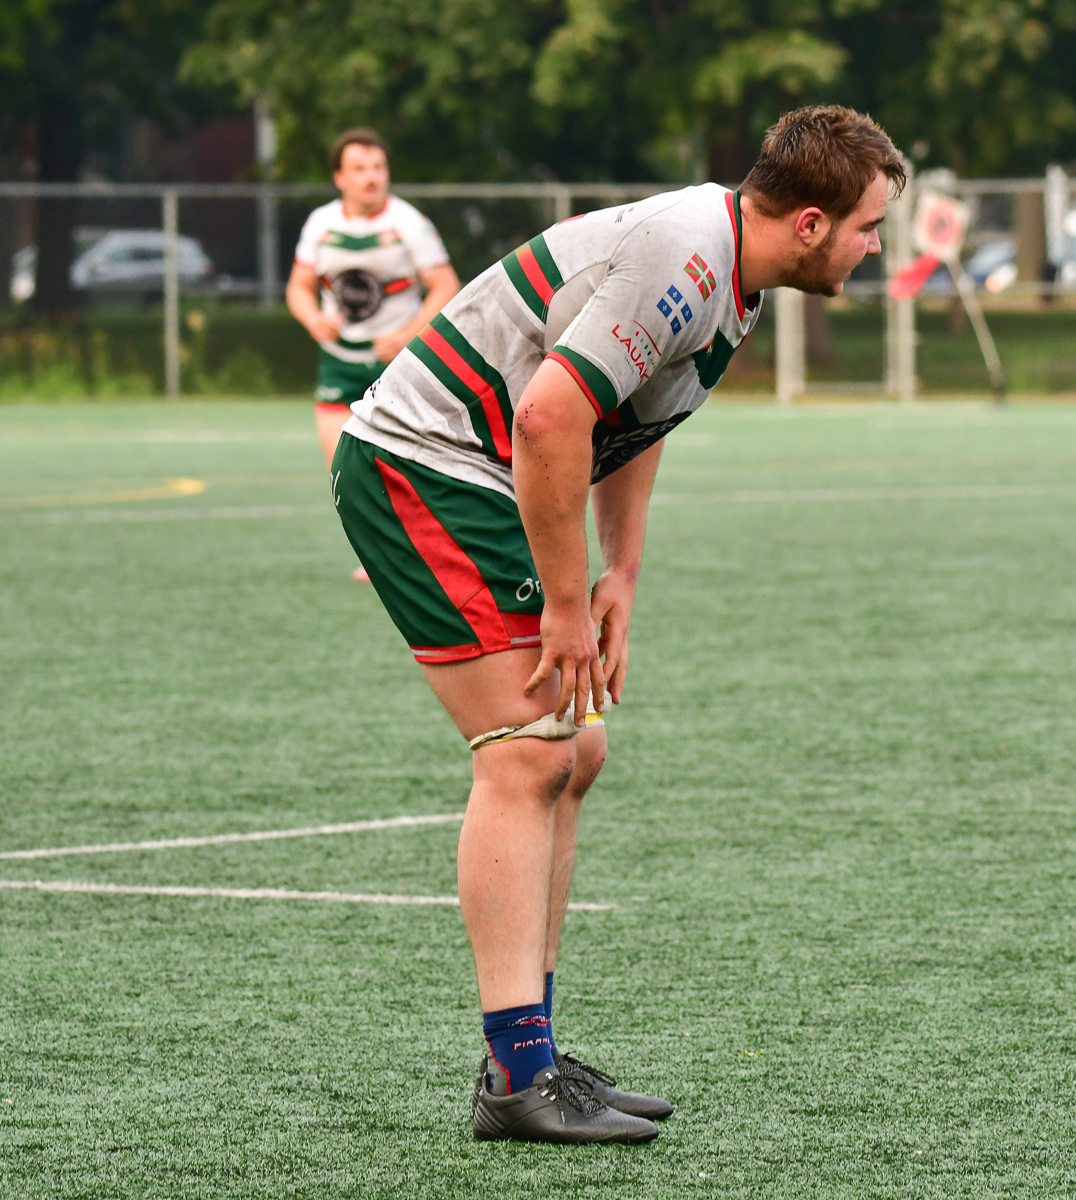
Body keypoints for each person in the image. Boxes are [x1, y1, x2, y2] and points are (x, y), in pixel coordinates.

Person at [329, 106, 906, 1144]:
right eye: (870, 226)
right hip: (421, 466)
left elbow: (630, 412)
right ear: (813, 221)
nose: (876, 246)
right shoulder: (684, 257)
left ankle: (532, 1055)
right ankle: (516, 1075)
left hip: (480, 474)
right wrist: (562, 604)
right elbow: (552, 416)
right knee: (524, 756)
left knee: (573, 751)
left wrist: (620, 573)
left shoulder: (736, 275)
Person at [289, 129, 460, 579]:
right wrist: (312, 320)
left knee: (409, 461)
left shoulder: (409, 223)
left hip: (396, 365)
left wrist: (409, 333)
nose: (372, 177)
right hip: (338, 362)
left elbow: (445, 285)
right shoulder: (321, 224)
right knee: (342, 468)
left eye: (378, 168)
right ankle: (378, 554)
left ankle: (427, 549)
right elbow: (299, 287)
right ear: (339, 177)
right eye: (360, 169)